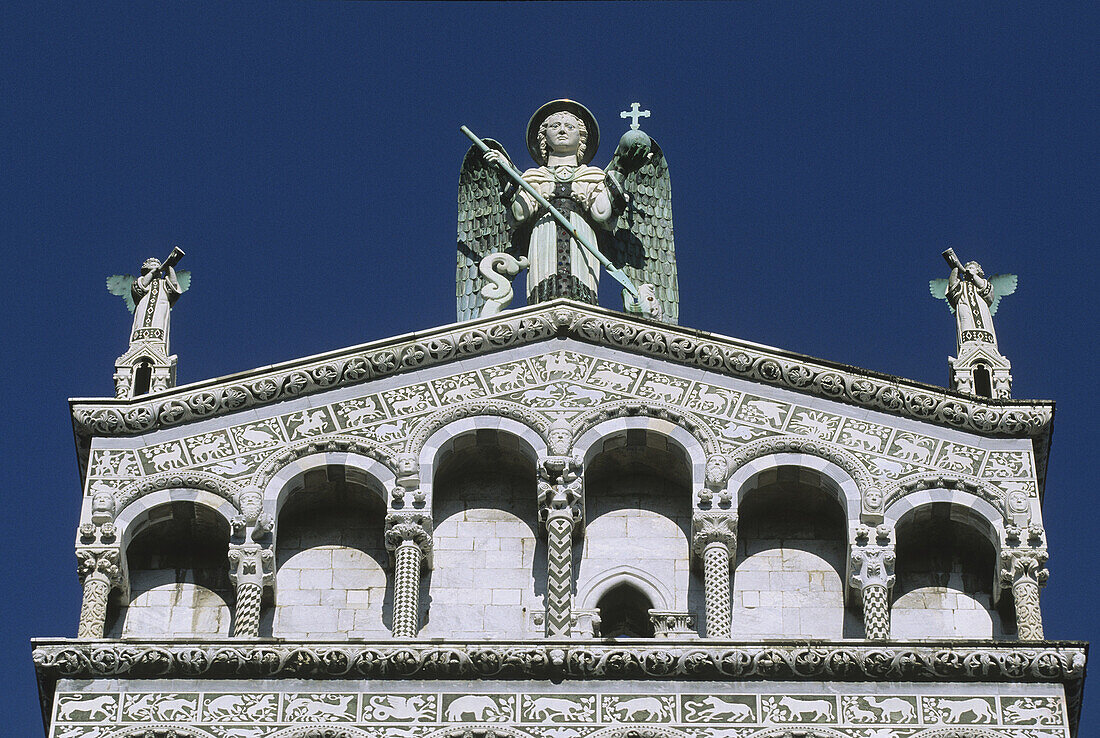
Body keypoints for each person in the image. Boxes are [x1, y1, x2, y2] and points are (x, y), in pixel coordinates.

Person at [483, 100, 620, 306]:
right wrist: (506, 175)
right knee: (544, 291)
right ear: (544, 137)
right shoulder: (533, 177)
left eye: (570, 126)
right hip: (543, 231)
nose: (562, 130)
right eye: (555, 126)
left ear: (581, 137)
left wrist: (622, 169)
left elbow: (601, 214)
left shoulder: (593, 175)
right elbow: (520, 214)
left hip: (580, 233)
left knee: (581, 289)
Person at [129, 257, 184, 344]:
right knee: (140, 324)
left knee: (159, 323)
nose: (157, 267)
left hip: (160, 307)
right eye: (154, 265)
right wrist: (152, 273)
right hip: (144, 306)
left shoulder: (164, 282)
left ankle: (157, 343)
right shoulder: (142, 280)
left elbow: (174, 285)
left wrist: (170, 267)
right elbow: (140, 287)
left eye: (158, 266)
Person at [947, 260, 997, 349]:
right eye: (967, 269)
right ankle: (968, 347)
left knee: (985, 326)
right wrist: (955, 269)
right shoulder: (962, 284)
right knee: (966, 323)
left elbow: (988, 294)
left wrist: (973, 276)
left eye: (971, 268)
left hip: (981, 308)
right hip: (965, 307)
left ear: (978, 271)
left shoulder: (982, 282)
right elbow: (952, 291)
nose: (968, 270)